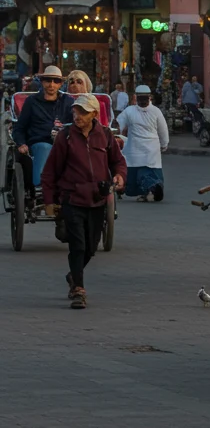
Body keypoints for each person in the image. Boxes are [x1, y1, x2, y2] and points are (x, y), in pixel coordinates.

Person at [41, 93, 127, 309]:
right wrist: (50, 201)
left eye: (82, 112)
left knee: (91, 247)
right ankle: (78, 289)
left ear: (94, 115)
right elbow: (50, 171)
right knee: (78, 245)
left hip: (98, 199)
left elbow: (118, 162)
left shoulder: (105, 135)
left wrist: (119, 176)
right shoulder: (66, 136)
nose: (77, 115)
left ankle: (73, 275)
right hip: (72, 198)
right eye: (75, 111)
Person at [12, 64, 74, 204]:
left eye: (56, 81)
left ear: (61, 84)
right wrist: (21, 143)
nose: (51, 84)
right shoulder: (31, 102)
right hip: (39, 143)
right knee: (44, 147)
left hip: (64, 142)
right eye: (48, 80)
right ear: (42, 81)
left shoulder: (68, 102)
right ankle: (39, 187)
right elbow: (19, 128)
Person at [117, 84, 169, 202]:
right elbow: (163, 131)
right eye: (141, 98)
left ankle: (151, 189)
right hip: (150, 150)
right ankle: (152, 189)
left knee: (139, 174)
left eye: (144, 98)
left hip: (136, 150)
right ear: (137, 98)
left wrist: (115, 131)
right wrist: (164, 144)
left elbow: (119, 124)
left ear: (149, 98)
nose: (143, 101)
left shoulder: (130, 111)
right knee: (148, 172)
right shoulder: (156, 111)